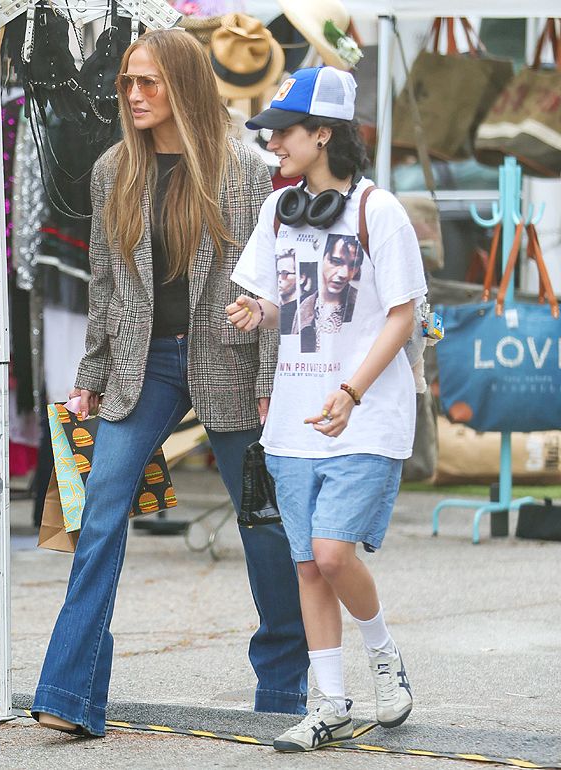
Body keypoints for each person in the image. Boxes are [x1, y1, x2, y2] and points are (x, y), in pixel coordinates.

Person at [31, 29, 309, 738]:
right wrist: (91, 374)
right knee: (99, 512)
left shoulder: (245, 169)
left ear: (182, 83)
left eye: (149, 81)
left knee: (263, 527)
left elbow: (273, 280)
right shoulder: (111, 170)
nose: (133, 94)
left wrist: (272, 379)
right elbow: (103, 282)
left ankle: (283, 696)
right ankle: (70, 694)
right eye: (128, 81)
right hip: (142, 362)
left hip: (231, 358)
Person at [227, 66, 427, 752]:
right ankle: (331, 703)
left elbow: (402, 316)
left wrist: (351, 391)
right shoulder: (278, 211)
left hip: (366, 412)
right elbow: (291, 300)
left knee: (334, 554)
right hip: (294, 417)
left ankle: (382, 652)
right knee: (308, 566)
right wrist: (258, 307)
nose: (274, 141)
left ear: (325, 134)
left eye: (285, 130)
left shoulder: (381, 212)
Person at [295, 233, 362, 351]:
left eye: (353, 265)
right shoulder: (304, 307)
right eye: (336, 261)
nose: (344, 274)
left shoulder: (362, 302)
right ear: (321, 256)